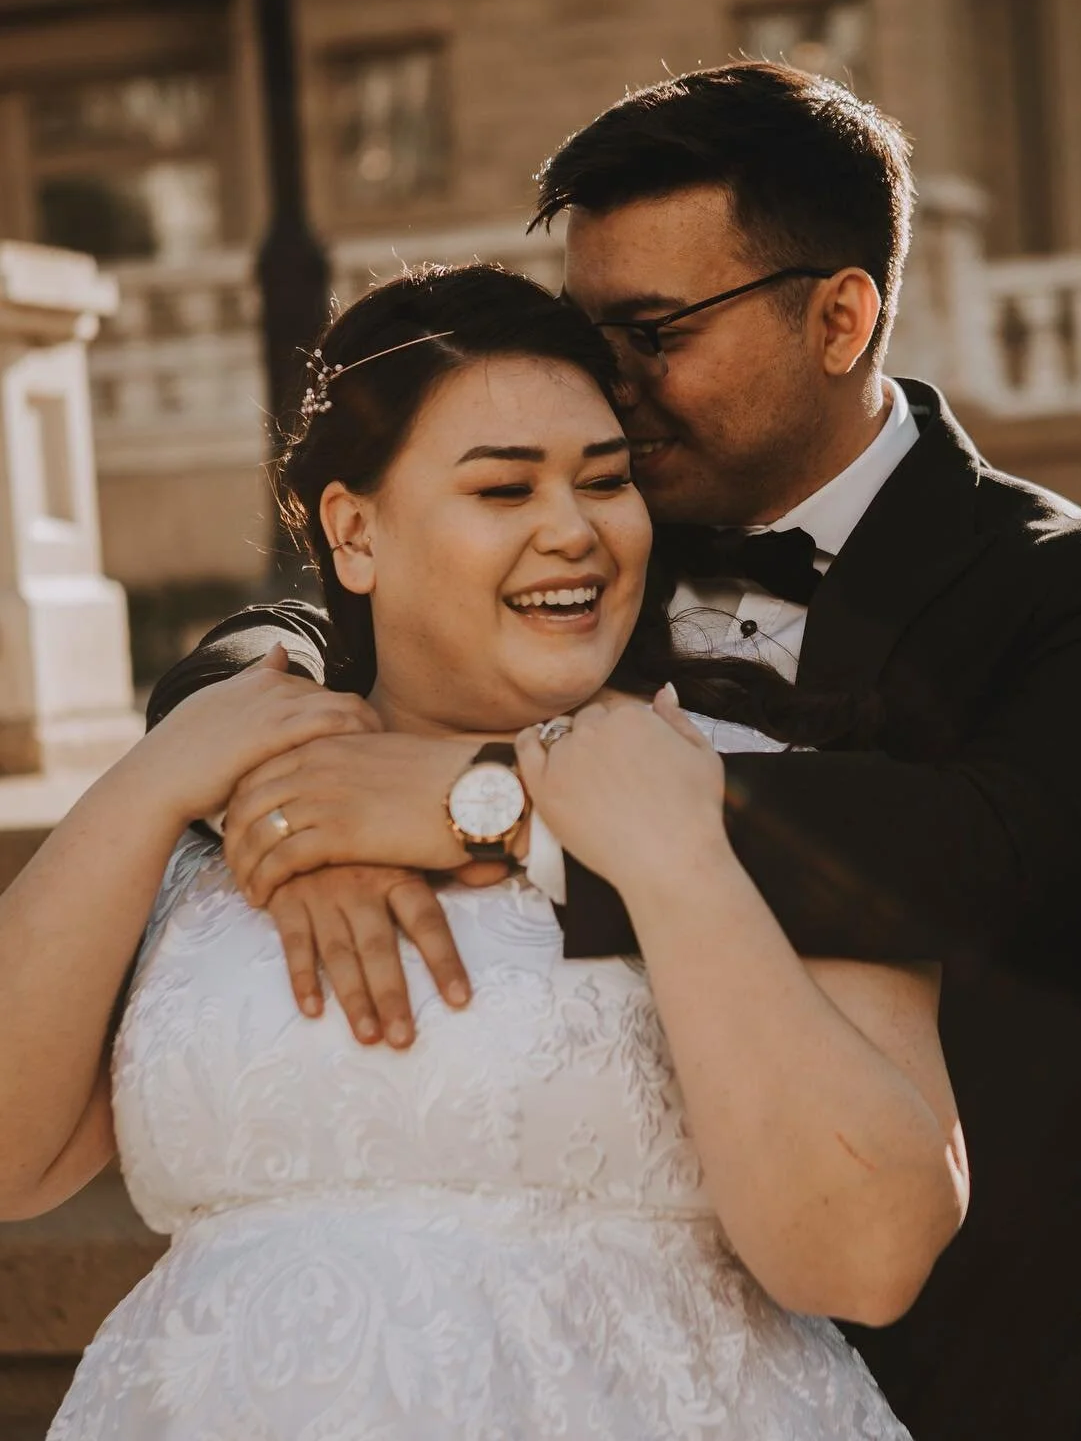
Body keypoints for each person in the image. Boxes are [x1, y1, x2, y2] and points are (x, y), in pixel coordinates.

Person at [152, 63, 1081, 1439]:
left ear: (841, 316)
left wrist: (484, 806)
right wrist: (289, 791)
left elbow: (1005, 853)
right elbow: (271, 633)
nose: (607, 386)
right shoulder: (586, 543)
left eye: (655, 331)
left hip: (1026, 1348)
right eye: (591, 330)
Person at [1, 264, 964, 1440]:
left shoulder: (764, 783)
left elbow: (869, 1256)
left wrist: (672, 859)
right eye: (504, 490)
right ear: (355, 532)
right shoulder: (226, 800)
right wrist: (162, 779)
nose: (575, 531)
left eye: (606, 482)